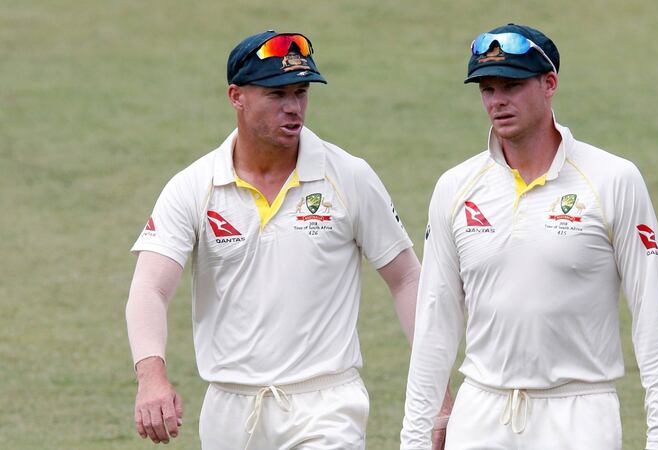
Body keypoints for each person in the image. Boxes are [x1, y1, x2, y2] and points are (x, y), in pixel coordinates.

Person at [126, 29, 450, 449]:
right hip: (230, 409)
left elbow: (406, 278)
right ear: (236, 96)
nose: (294, 107)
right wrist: (152, 377)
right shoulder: (193, 186)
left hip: (326, 406)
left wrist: (439, 393)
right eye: (277, 95)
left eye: (300, 92)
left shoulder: (349, 176)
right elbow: (150, 287)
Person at [401, 24, 658, 450]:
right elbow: (435, 325)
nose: (497, 101)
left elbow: (652, 318)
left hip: (579, 415)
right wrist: (416, 438)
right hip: (480, 415)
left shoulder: (613, 180)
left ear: (549, 83)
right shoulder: (455, 186)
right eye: (487, 88)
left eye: (511, 86)